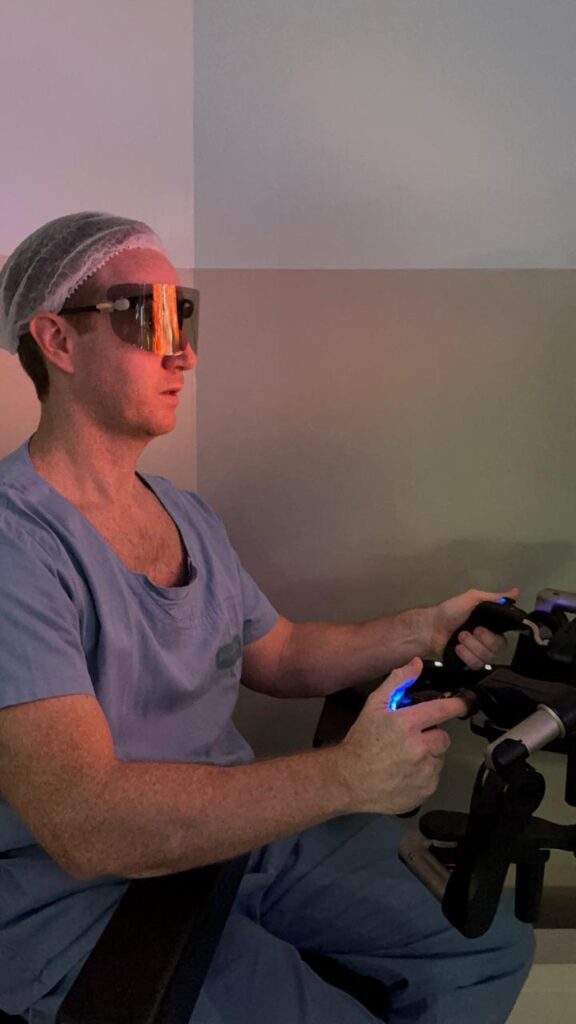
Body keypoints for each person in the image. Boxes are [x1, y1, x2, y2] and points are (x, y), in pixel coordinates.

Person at [0, 212, 533, 1023]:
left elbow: (279, 653)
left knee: (487, 941)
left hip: (236, 838)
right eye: (152, 316)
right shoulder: (15, 547)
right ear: (58, 341)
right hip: (87, 901)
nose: (185, 352)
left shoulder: (182, 512)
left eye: (186, 315)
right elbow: (88, 827)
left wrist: (424, 628)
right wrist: (345, 778)